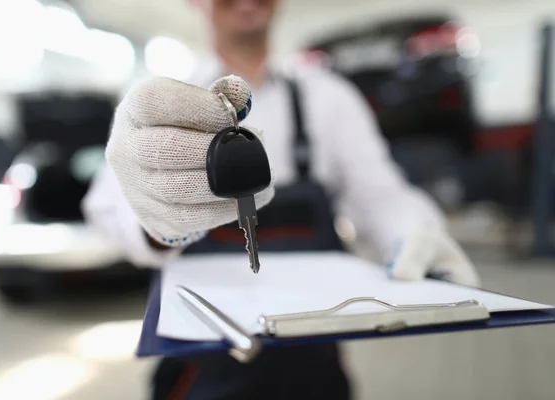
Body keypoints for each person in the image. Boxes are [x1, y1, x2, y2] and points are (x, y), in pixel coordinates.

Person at [82, 0, 481, 398]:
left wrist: (412, 232)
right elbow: (106, 209)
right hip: (202, 363)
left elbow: (379, 192)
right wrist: (160, 225)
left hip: (315, 365)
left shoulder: (329, 97)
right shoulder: (155, 102)